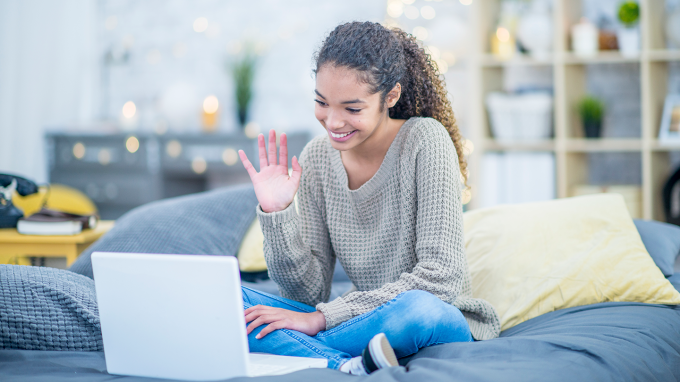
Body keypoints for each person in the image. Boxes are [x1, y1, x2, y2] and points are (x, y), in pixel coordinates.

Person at [236, 21, 500, 375]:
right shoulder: (317, 158)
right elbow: (306, 292)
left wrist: (322, 318)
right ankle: (351, 364)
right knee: (232, 302)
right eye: (321, 102)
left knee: (418, 308)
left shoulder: (426, 141)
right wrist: (277, 212)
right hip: (360, 324)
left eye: (352, 108)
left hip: (431, 317)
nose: (333, 121)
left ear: (390, 97)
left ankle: (312, 351)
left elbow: (441, 281)